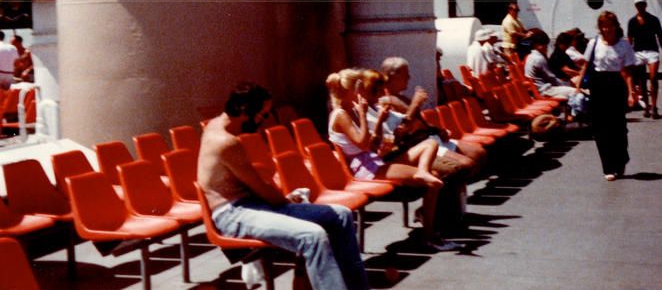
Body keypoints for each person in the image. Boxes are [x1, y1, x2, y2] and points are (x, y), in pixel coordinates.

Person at [197, 81, 368, 290]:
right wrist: (288, 201)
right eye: (262, 114)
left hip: (251, 203)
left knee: (341, 215)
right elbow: (264, 191)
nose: (263, 120)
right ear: (244, 110)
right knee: (312, 236)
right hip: (233, 213)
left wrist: (288, 202)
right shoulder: (225, 142)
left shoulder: (220, 125)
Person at [326, 68, 459, 251]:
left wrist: (380, 127)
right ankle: (430, 237)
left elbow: (371, 143)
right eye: (359, 88)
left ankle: (422, 173)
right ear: (352, 90)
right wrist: (364, 115)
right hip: (365, 169)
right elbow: (362, 143)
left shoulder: (353, 109)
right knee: (433, 182)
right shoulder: (341, 114)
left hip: (374, 159)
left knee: (429, 145)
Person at [379, 56, 487, 179]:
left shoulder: (401, 97)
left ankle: (459, 186)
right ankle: (455, 190)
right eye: (405, 75)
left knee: (479, 153)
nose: (409, 78)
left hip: (431, 138)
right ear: (393, 76)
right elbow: (400, 132)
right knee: (466, 164)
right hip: (419, 145)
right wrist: (415, 104)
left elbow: (420, 122)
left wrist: (437, 130)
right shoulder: (385, 102)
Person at [579, 11, 637, 181]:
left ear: (615, 26)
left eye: (609, 25)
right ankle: (608, 167)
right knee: (600, 128)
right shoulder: (594, 43)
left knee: (618, 127)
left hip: (616, 84)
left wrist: (631, 93)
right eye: (603, 26)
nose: (606, 29)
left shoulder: (624, 45)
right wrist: (578, 85)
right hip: (598, 84)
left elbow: (627, 72)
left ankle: (621, 160)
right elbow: (585, 65)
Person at [627, 0, 662, 119]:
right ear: (635, 6)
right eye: (638, 4)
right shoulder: (632, 21)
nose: (640, 6)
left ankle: (654, 106)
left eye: (642, 4)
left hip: (652, 51)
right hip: (638, 52)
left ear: (645, 5)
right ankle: (647, 106)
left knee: (653, 77)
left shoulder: (654, 19)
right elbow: (630, 39)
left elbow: (660, 36)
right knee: (641, 80)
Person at [523, 29, 577, 101]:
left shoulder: (530, 56)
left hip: (539, 89)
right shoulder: (539, 59)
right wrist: (566, 84)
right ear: (536, 45)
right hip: (545, 90)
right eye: (544, 46)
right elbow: (551, 78)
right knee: (575, 92)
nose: (546, 48)